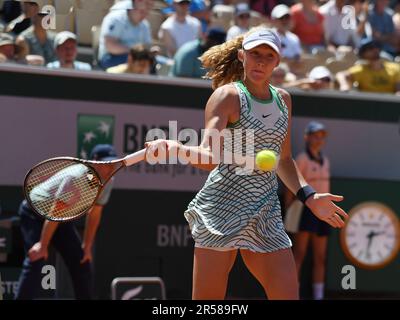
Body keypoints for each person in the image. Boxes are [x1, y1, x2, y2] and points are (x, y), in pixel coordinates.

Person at [144, 27, 348, 300]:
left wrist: (309, 197)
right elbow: (209, 158)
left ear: (278, 62)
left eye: (268, 55)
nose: (261, 61)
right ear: (242, 56)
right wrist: (175, 148)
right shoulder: (227, 97)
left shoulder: (284, 99)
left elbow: (283, 159)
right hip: (222, 209)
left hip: (265, 211)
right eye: (255, 54)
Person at [15, 144, 117, 300]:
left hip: (61, 217)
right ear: (94, 161)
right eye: (107, 163)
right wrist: (43, 245)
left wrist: (87, 246)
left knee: (82, 260)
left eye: (113, 163)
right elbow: (55, 212)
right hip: (34, 213)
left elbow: (95, 212)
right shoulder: (76, 178)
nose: (110, 167)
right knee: (37, 258)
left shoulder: (107, 181)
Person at [284, 121, 331, 300]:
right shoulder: (302, 159)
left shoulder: (326, 161)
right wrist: (289, 208)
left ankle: (318, 297)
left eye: (322, 136)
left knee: (320, 257)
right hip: (304, 211)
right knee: (299, 254)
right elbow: (291, 186)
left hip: (323, 213)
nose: (318, 140)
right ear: (307, 137)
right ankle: (291, 295)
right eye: (315, 135)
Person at [98, 0, 152, 69]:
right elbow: (110, 46)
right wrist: (135, 52)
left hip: (136, 58)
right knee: (136, 62)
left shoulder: (145, 25)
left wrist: (149, 52)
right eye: (142, 11)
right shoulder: (116, 18)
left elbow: (147, 46)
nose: (145, 14)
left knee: (156, 62)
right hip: (110, 58)